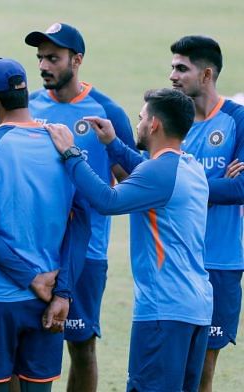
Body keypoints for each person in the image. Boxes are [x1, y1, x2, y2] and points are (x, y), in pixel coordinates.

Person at [45, 87, 213, 392]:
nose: (137, 124)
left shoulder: (159, 172)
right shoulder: (188, 166)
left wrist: (71, 154)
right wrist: (112, 144)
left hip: (164, 309)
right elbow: (144, 174)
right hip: (196, 307)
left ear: (154, 125)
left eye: (141, 118)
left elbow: (107, 201)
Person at [0, 58, 90, 392]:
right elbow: (81, 226)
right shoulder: (64, 145)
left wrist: (30, 279)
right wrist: (62, 292)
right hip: (48, 299)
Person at [24, 22, 136, 392]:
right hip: (35, 250)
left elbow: (128, 179)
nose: (43, 66)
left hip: (86, 252)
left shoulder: (107, 110)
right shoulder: (30, 107)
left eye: (53, 58)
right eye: (40, 58)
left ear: (77, 60)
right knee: (25, 346)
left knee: (81, 346)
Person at [168, 35, 244, 392]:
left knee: (203, 367)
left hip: (221, 261)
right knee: (172, 363)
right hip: (175, 261)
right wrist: (213, 184)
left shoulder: (237, 120)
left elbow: (241, 189)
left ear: (207, 74)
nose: (173, 76)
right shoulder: (171, 119)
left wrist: (183, 185)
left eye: (182, 68)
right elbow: (149, 177)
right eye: (172, 67)